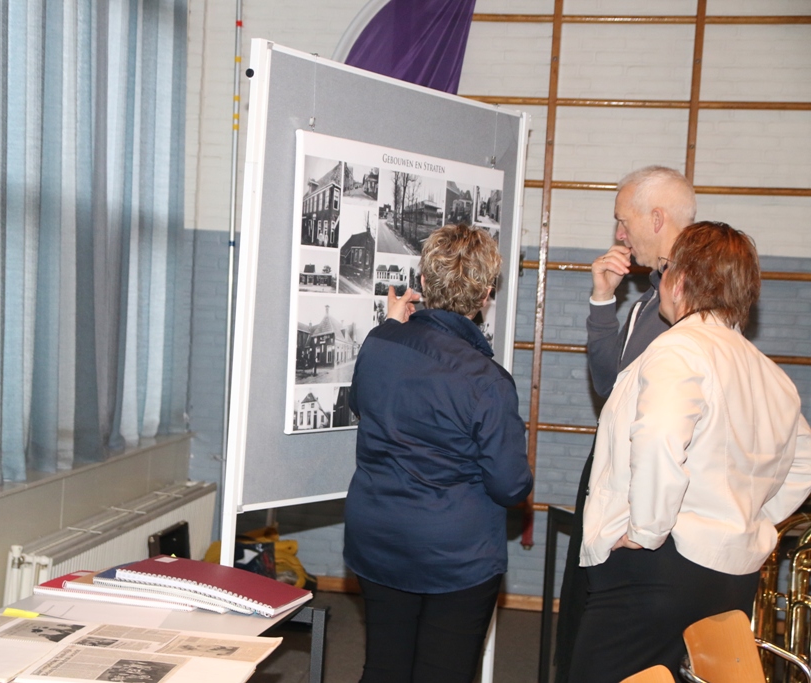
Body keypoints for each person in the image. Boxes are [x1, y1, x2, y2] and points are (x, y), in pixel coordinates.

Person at [567, 222, 811, 682]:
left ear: (680, 281)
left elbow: (660, 436)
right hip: (730, 574)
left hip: (660, 566)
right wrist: (748, 515)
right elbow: (804, 462)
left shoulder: (678, 349)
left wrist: (645, 530)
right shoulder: (769, 373)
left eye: (667, 270)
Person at [343, 223, 534, 683]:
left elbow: (360, 403)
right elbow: (510, 487)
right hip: (455, 555)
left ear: (425, 282)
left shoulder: (379, 343)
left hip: (379, 539)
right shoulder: (488, 381)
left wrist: (392, 324)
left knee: (384, 667)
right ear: (485, 294)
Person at [555, 165, 697, 680]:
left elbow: (666, 429)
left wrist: (644, 523)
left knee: (623, 650)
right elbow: (607, 382)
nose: (619, 234)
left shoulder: (691, 302)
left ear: (656, 219)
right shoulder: (648, 301)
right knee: (586, 624)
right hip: (617, 475)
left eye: (624, 220)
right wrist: (602, 299)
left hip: (650, 490)